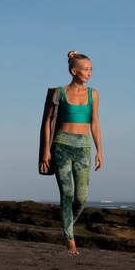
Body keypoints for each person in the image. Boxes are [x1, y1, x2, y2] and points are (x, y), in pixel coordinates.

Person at [40, 51, 103, 254]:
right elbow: (48, 122)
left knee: (81, 198)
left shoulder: (93, 94)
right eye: (85, 69)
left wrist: (100, 151)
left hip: (84, 146)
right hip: (61, 145)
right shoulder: (59, 92)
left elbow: (95, 124)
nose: (89, 73)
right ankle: (70, 241)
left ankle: (67, 226)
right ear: (73, 70)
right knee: (67, 193)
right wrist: (45, 152)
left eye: (91, 69)